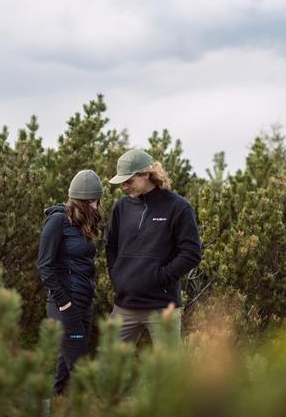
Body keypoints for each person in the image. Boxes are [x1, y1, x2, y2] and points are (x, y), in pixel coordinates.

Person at [106, 148, 202, 345]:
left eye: (129, 181)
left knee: (168, 365)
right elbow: (111, 247)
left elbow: (192, 253)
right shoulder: (121, 208)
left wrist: (159, 278)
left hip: (162, 308)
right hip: (124, 305)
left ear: (145, 174)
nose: (124, 187)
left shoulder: (178, 207)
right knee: (109, 362)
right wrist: (118, 276)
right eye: (122, 182)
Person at [38, 169, 103, 395]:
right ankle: (92, 415)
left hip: (84, 304)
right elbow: (44, 266)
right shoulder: (57, 222)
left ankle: (57, 413)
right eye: (92, 201)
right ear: (79, 201)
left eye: (97, 201)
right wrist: (64, 303)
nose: (96, 206)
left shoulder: (82, 224)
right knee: (81, 369)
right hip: (65, 307)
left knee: (66, 370)